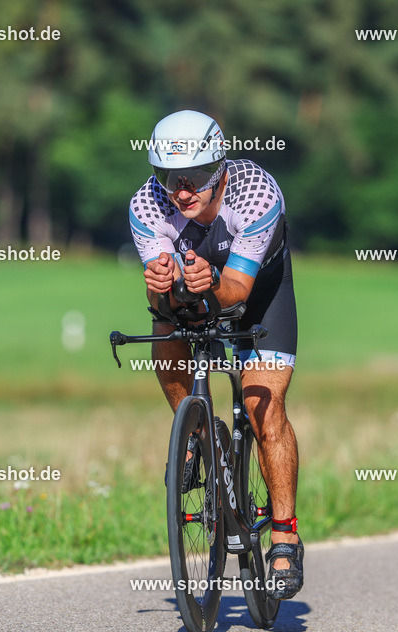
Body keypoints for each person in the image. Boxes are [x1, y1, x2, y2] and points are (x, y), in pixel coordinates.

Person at [128, 110, 302, 600]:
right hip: (197, 287)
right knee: (163, 320)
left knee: (262, 410)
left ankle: (285, 533)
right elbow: (167, 302)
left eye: (196, 176)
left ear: (221, 165)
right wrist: (164, 290)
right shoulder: (147, 205)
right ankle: (196, 431)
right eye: (169, 177)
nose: (181, 190)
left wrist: (206, 285)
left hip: (260, 295)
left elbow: (238, 292)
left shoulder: (256, 193)